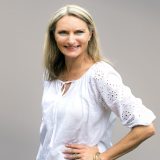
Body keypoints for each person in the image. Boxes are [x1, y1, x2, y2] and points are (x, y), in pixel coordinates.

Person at [36, 4, 156, 160]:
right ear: (54, 36)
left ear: (90, 34)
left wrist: (101, 157)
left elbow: (146, 128)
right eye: (63, 32)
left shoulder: (100, 75)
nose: (71, 40)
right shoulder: (51, 74)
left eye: (79, 32)